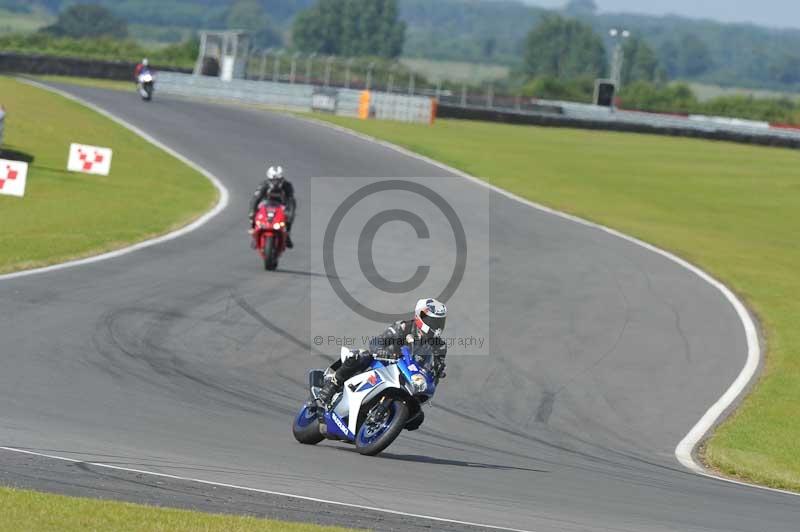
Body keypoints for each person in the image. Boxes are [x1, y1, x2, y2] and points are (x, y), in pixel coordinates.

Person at [317, 298, 448, 421]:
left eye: (440, 322)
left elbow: (434, 376)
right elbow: (376, 342)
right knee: (360, 355)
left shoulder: (440, 346)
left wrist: (436, 372)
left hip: (408, 378)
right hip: (386, 364)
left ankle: (386, 421)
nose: (437, 327)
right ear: (420, 317)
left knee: (417, 417)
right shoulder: (404, 327)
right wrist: (384, 353)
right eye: (434, 322)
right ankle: (331, 386)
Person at [249, 165, 296, 248]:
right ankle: (254, 234)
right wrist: (252, 211)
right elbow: (255, 199)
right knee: (254, 215)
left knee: (288, 218)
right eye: (273, 180)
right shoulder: (263, 185)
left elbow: (291, 200)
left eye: (278, 180)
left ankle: (287, 234)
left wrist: (291, 213)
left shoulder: (287, 185)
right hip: (265, 205)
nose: (275, 182)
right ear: (269, 178)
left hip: (281, 206)